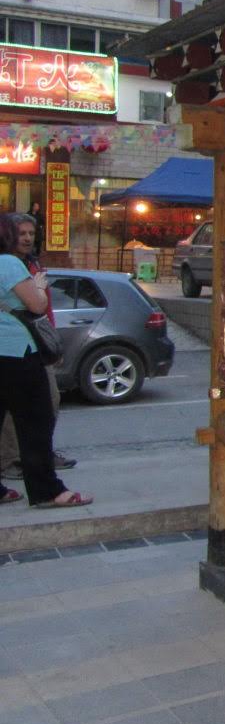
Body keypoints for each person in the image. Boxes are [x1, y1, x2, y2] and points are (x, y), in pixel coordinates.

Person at [0, 213, 91, 508]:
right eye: (19, 232)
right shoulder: (9, 264)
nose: (26, 238)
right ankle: (47, 490)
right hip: (17, 353)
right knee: (36, 424)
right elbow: (37, 305)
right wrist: (38, 286)